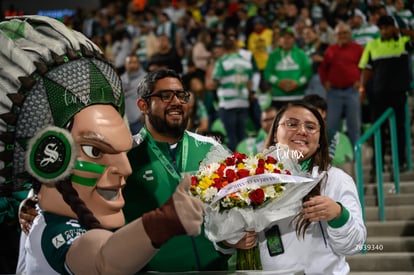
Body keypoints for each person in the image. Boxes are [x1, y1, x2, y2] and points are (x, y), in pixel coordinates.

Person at [4, 16, 203, 274]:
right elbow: (102, 260)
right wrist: (163, 221)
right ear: (50, 158)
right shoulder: (54, 228)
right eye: (95, 151)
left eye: (122, 152)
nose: (126, 168)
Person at [228, 101, 366, 274]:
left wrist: (338, 215)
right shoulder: (250, 179)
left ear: (319, 141)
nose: (301, 131)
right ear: (276, 133)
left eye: (310, 127)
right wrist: (228, 240)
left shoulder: (336, 180)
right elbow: (226, 238)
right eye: (292, 124)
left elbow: (355, 245)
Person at [122, 69, 231, 272]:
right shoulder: (126, 157)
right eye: (165, 96)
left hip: (215, 270)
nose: (177, 102)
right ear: (143, 105)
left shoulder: (211, 149)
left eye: (181, 95)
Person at [358, 15, 414, 171]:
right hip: (379, 93)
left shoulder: (403, 42)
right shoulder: (372, 45)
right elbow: (366, 69)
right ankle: (378, 164)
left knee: (399, 128)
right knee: (379, 129)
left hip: (399, 91)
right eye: (382, 28)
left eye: (388, 27)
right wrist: (362, 89)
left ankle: (401, 161)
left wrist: (401, 31)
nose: (385, 31)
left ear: (393, 27)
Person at [318, 22, 364, 148]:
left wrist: (360, 81)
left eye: (345, 33)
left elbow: (364, 67)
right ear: (335, 35)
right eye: (339, 34)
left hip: (352, 91)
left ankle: (356, 155)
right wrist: (325, 82)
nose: (342, 36)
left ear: (350, 34)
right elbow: (323, 69)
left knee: (354, 126)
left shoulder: (358, 48)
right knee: (331, 126)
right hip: (334, 93)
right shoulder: (330, 50)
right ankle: (329, 158)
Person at [212, 35, 254, 151]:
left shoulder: (222, 62)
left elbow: (215, 81)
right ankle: (245, 162)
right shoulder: (245, 62)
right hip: (242, 102)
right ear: (236, 46)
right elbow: (250, 82)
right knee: (242, 136)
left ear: (223, 48)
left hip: (228, 103)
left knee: (231, 137)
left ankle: (234, 164)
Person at [264, 27, 312, 110]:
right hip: (278, 97)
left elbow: (308, 72)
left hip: (298, 96)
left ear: (293, 39)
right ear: (279, 40)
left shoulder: (301, 54)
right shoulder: (273, 55)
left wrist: (298, 83)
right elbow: (267, 73)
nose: (286, 40)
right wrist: (278, 82)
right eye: (283, 38)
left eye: (289, 37)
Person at [120, 54, 146, 135]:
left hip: (140, 121)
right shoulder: (120, 79)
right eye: (130, 62)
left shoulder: (146, 78)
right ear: (125, 65)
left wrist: (146, 116)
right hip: (124, 123)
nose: (132, 65)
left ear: (139, 64)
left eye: (134, 62)